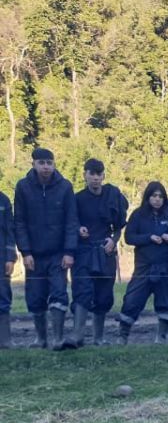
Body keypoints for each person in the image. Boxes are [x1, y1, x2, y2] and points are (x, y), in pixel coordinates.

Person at [13, 147, 78, 350]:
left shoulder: (65, 187)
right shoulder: (23, 187)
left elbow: (71, 221)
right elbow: (20, 222)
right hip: (34, 255)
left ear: (54, 164)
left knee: (59, 295)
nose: (46, 167)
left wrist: (69, 251)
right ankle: (41, 339)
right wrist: (26, 252)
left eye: (49, 163)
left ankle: (58, 339)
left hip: (59, 254)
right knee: (35, 297)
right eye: (42, 163)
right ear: (33, 164)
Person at [116, 182, 168, 344]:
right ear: (147, 197)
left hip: (166, 268)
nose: (157, 199)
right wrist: (148, 237)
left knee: (166, 302)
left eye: (160, 196)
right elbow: (129, 238)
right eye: (154, 196)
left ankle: (161, 337)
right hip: (144, 267)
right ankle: (122, 337)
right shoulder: (138, 215)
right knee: (132, 300)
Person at [69, 158, 128, 346]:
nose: (95, 178)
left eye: (98, 174)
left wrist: (114, 240)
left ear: (103, 176)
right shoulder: (77, 199)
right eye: (91, 174)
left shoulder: (113, 195)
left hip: (105, 251)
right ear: (84, 175)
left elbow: (119, 226)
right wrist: (79, 229)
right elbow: (70, 221)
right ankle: (78, 336)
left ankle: (99, 338)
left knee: (103, 295)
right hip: (83, 251)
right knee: (82, 292)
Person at [0, 187, 14, 348]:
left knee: (3, 297)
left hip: (1, 257)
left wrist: (10, 257)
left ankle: (5, 340)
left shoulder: (3, 200)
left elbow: (10, 230)